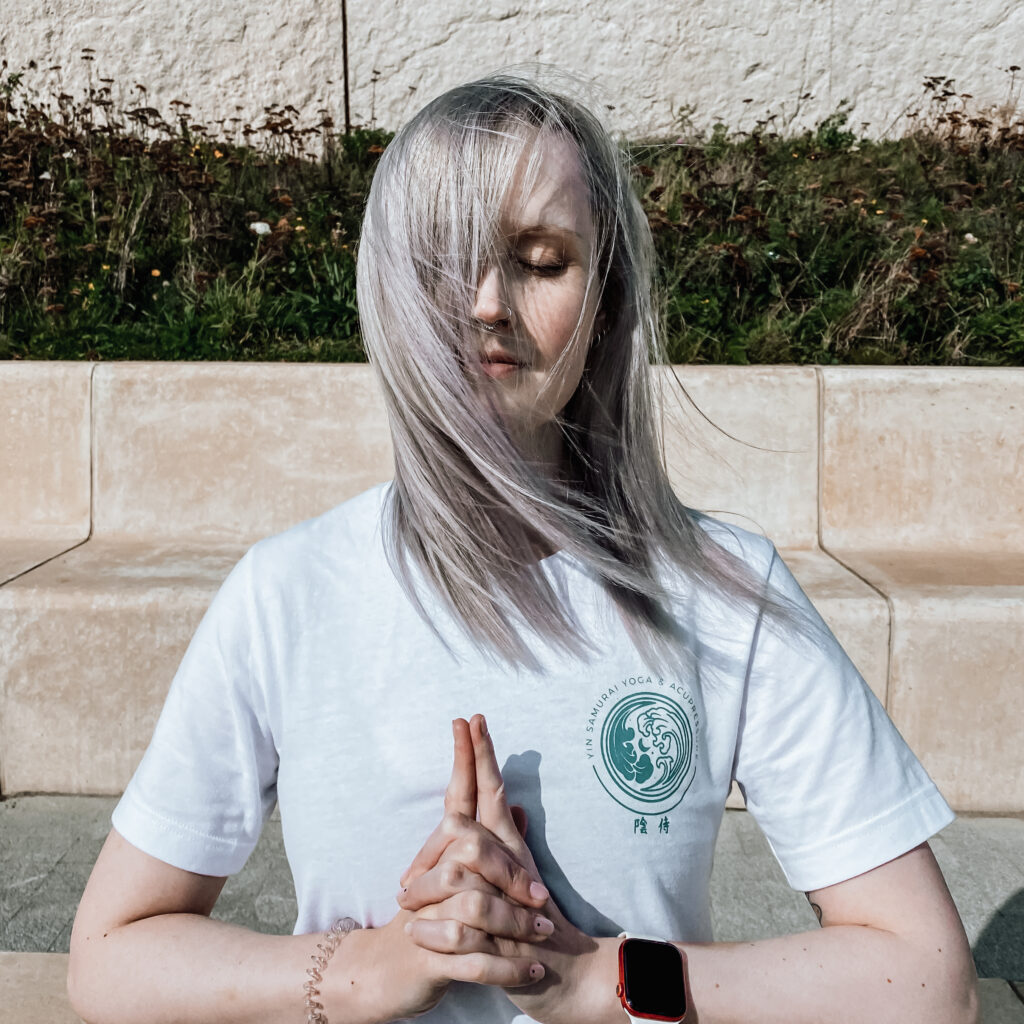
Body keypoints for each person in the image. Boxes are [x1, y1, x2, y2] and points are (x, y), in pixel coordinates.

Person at [67, 69, 979, 1024]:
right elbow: (110, 957)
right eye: (440, 260)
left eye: (542, 261)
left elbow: (927, 980)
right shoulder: (286, 593)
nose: (485, 304)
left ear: (603, 294)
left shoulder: (725, 591)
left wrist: (590, 979)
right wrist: (373, 967)